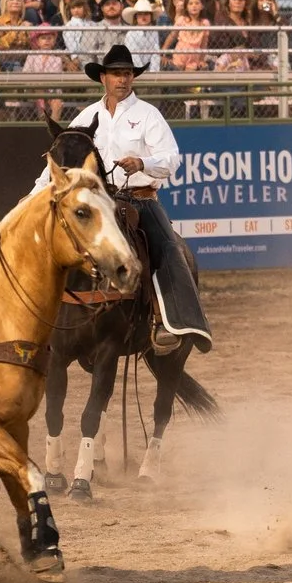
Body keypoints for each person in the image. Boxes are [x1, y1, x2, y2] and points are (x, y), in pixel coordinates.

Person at [59, 41, 211, 356]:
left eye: (127, 73)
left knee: (165, 247)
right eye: (116, 74)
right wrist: (33, 194)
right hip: (98, 202)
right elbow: (62, 160)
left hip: (139, 199)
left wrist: (143, 163)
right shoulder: (86, 116)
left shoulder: (148, 115)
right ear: (103, 78)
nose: (123, 79)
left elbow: (171, 158)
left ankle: (168, 320)